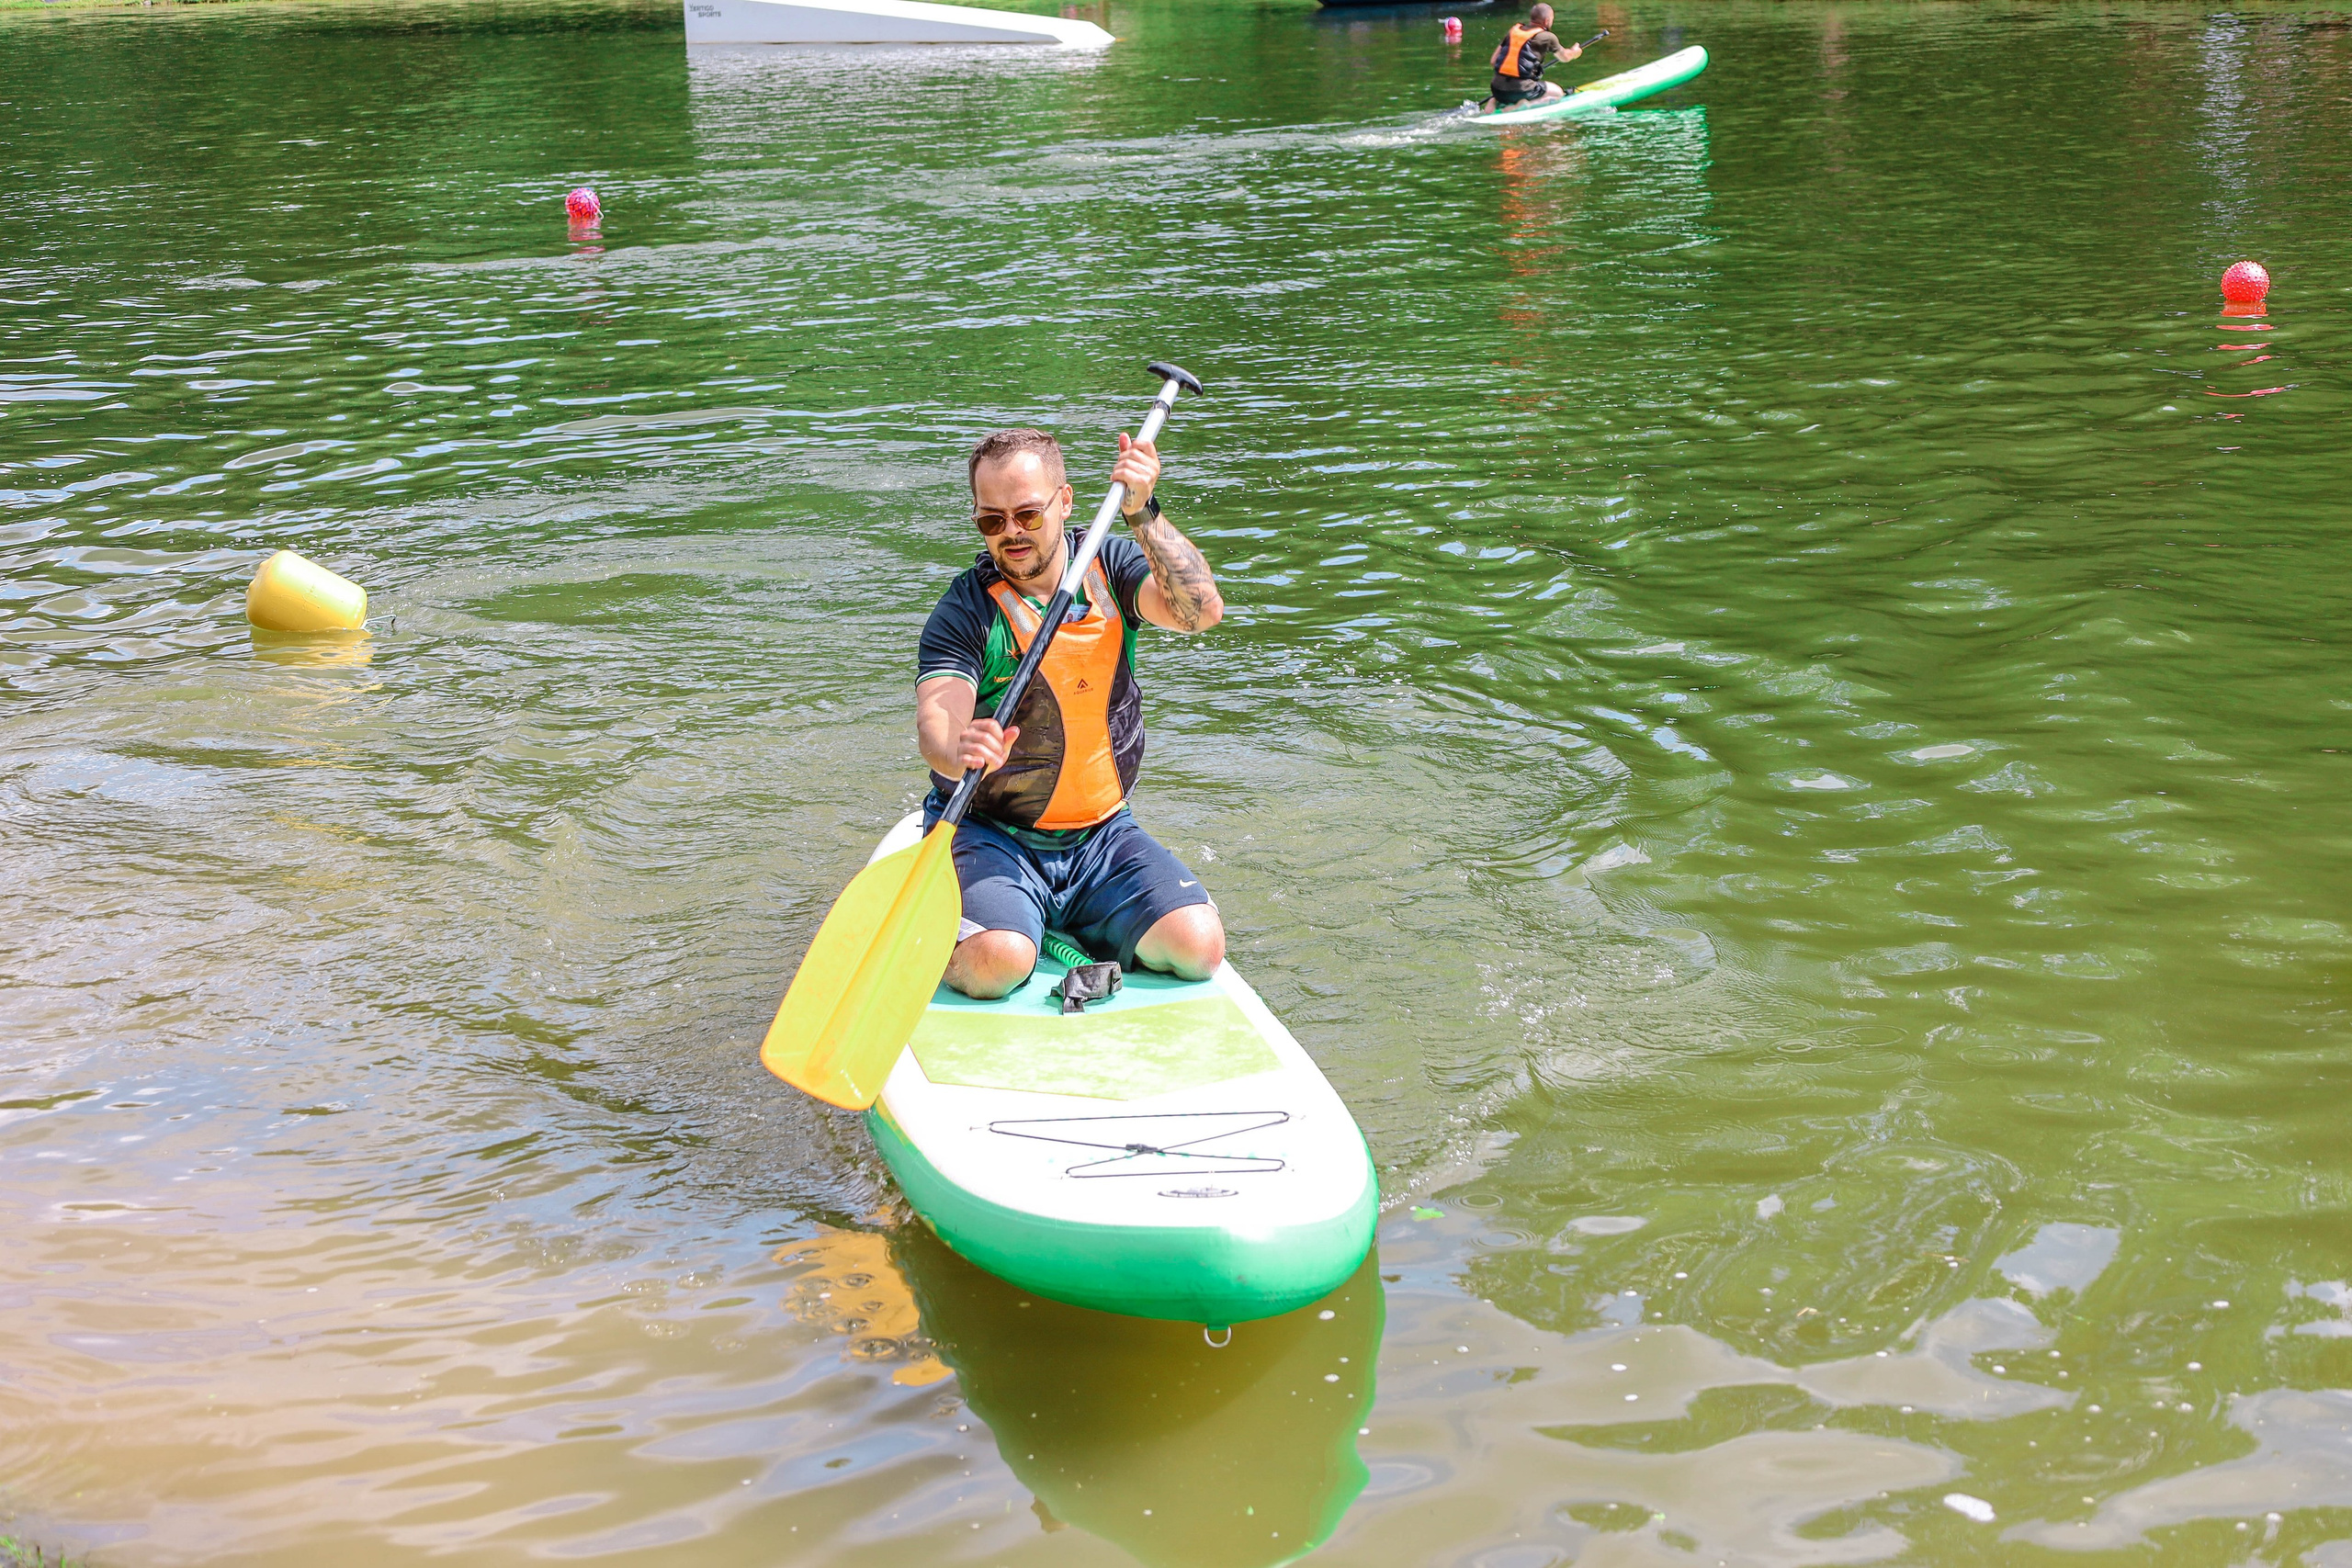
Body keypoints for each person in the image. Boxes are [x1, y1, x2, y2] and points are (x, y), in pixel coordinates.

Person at [914, 425, 1228, 999]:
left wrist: (1143, 513)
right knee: (997, 964)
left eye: (1028, 514)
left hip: (1103, 836)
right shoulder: (964, 611)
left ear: (1064, 501)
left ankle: (1063, 917)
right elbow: (937, 725)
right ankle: (972, 930)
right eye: (992, 519)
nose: (1011, 533)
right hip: (992, 834)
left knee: (1199, 948)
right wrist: (962, 746)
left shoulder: (1109, 564)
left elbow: (1201, 612)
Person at [1482, 3, 1582, 113]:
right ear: (1547, 21)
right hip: (1521, 90)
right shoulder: (1548, 37)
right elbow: (1565, 57)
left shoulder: (1514, 30)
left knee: (1507, 90)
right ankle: (1520, 106)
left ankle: (1493, 103)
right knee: (1558, 92)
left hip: (1497, 89)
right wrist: (1575, 52)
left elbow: (1493, 61)